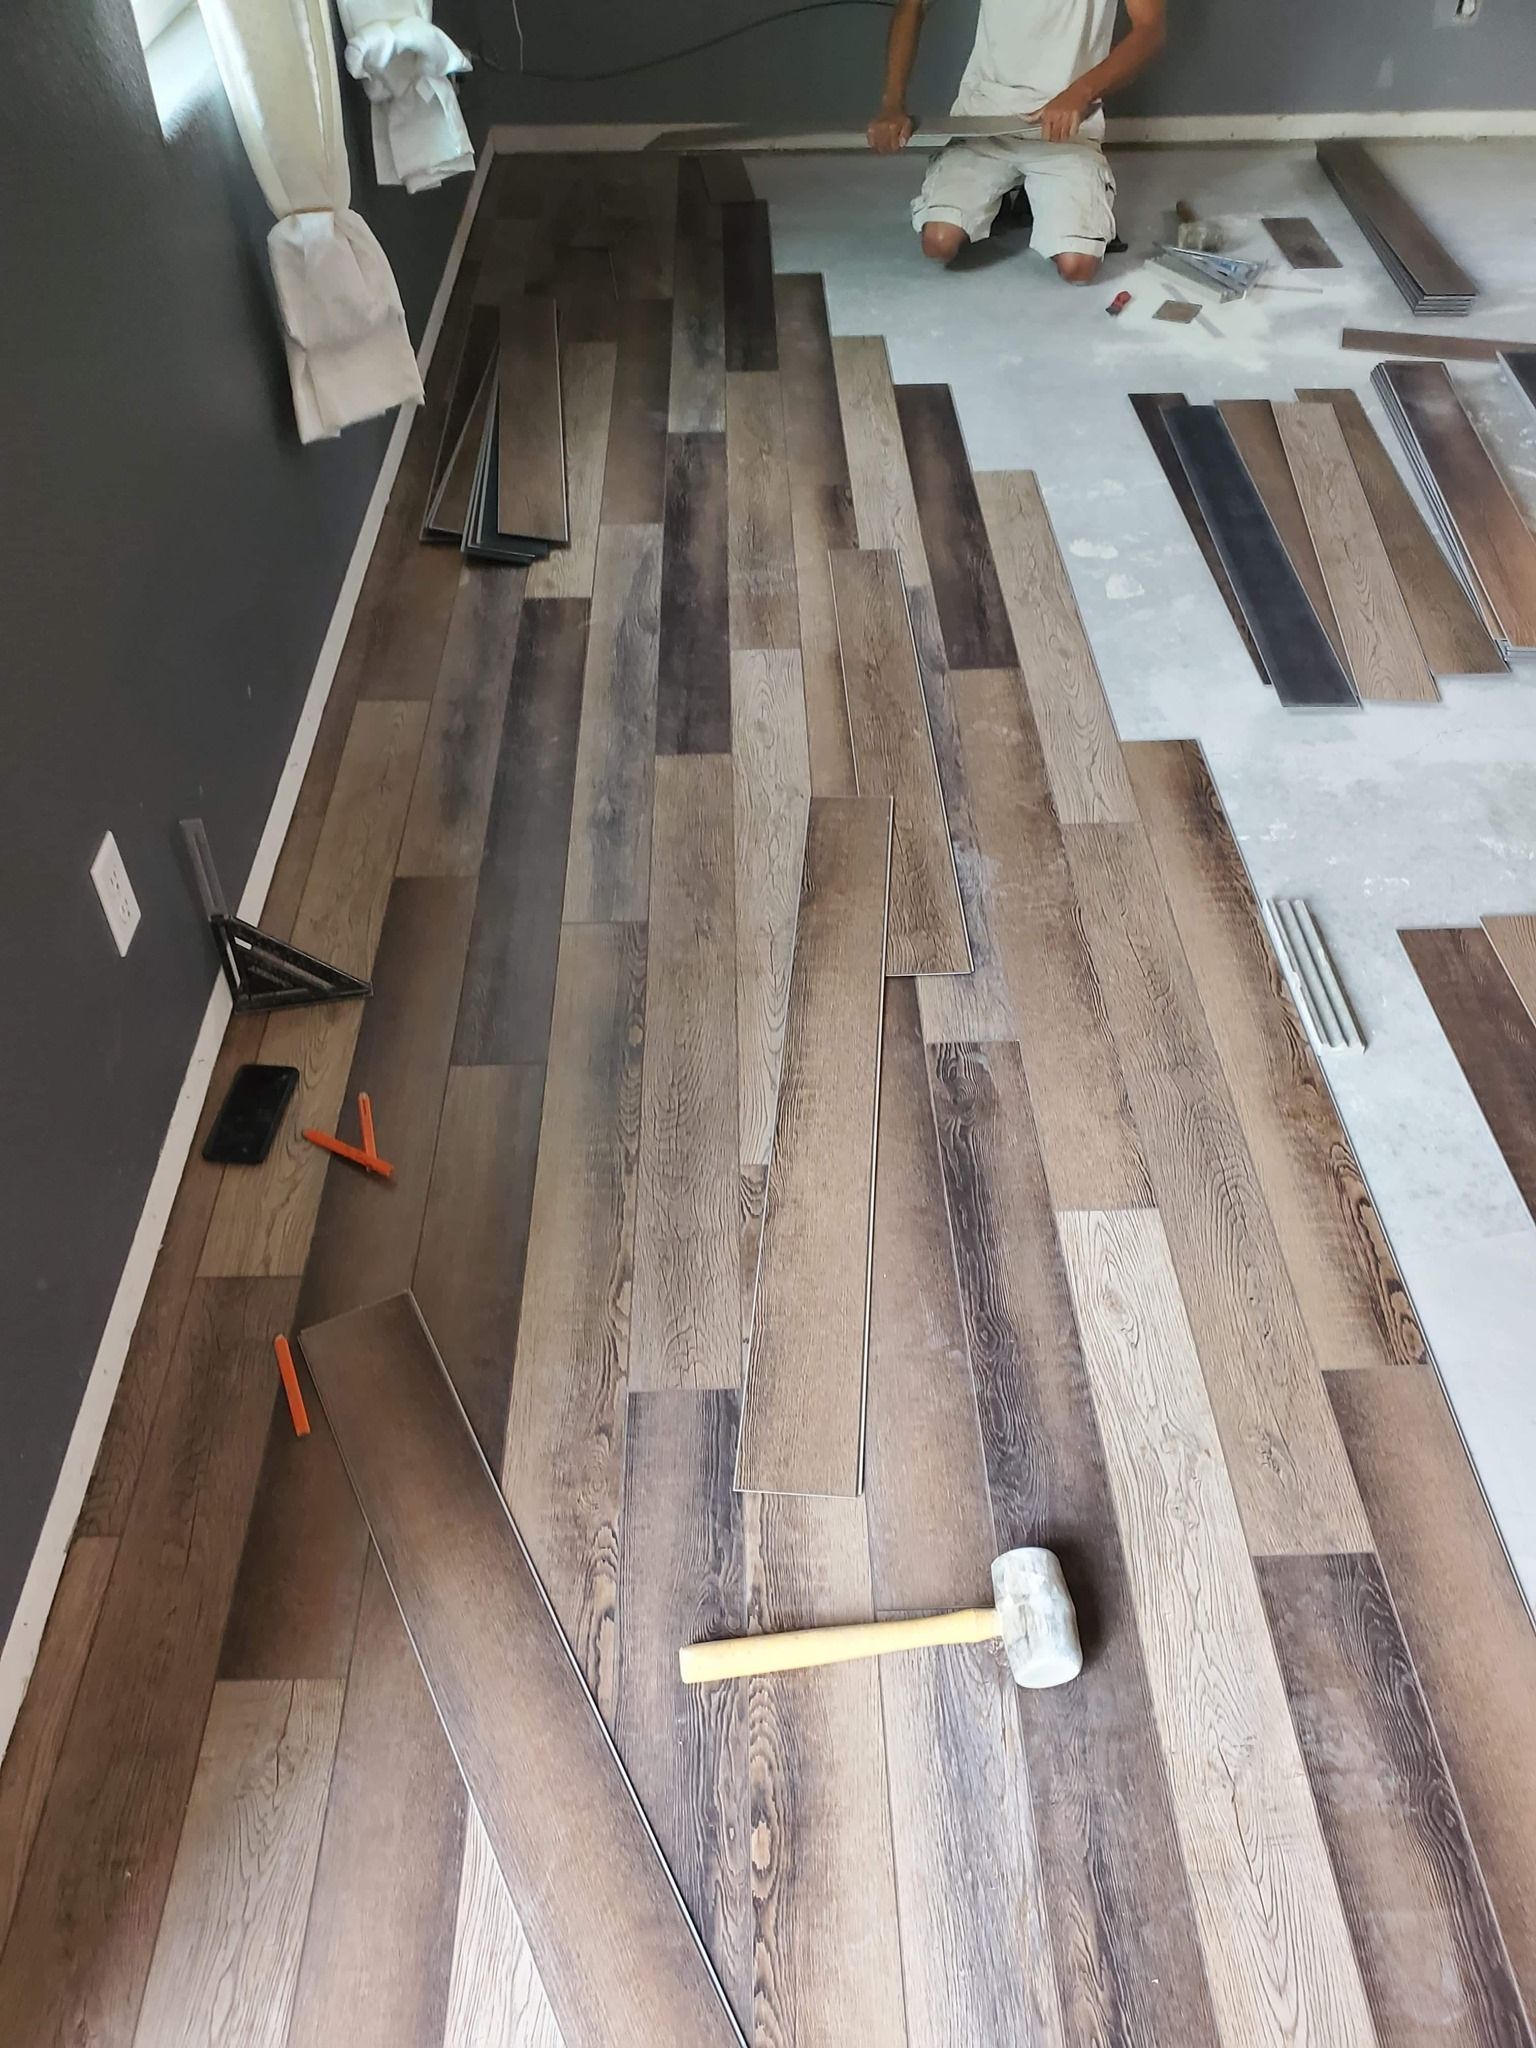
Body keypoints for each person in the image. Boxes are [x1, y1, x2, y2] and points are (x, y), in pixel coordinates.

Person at [868, 0, 1165, 283]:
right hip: (984, 121)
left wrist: (1082, 92)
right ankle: (999, 203)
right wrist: (891, 103)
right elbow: (911, 5)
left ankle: (1040, 201)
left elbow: (1150, 28)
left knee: (1078, 267)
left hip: (1065, 129)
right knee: (939, 243)